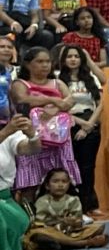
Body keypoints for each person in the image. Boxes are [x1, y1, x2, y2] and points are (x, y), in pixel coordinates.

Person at [9, 47, 79, 203]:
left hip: (59, 139)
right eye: (40, 61)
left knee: (60, 180)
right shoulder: (20, 84)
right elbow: (22, 99)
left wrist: (55, 109)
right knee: (30, 184)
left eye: (48, 61)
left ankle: (60, 213)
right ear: (28, 64)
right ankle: (29, 214)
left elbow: (70, 101)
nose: (45, 65)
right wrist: (52, 100)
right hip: (31, 138)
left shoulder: (57, 82)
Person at [56, 44, 104, 213]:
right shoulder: (58, 79)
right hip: (68, 123)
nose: (73, 59)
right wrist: (80, 123)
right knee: (71, 165)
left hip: (91, 123)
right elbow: (59, 107)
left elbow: (100, 104)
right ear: (63, 59)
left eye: (76, 56)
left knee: (88, 167)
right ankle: (73, 204)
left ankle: (90, 204)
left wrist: (89, 125)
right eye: (69, 56)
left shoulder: (91, 78)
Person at [23, 168, 108, 250]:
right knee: (37, 233)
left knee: (98, 227)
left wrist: (73, 222)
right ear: (47, 185)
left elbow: (78, 221)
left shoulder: (74, 200)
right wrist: (60, 222)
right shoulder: (42, 201)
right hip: (50, 231)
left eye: (64, 181)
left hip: (69, 232)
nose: (60, 185)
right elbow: (39, 222)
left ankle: (61, 244)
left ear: (69, 184)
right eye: (55, 181)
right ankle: (84, 243)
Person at [0, 116, 41, 250]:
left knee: (21, 221)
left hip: (4, 196)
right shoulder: (6, 131)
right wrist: (5, 132)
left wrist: (32, 135)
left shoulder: (7, 131)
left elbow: (32, 149)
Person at [0, 37, 16, 123]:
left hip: (9, 115)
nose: (6, 50)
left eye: (10, 47)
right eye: (2, 47)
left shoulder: (18, 71)